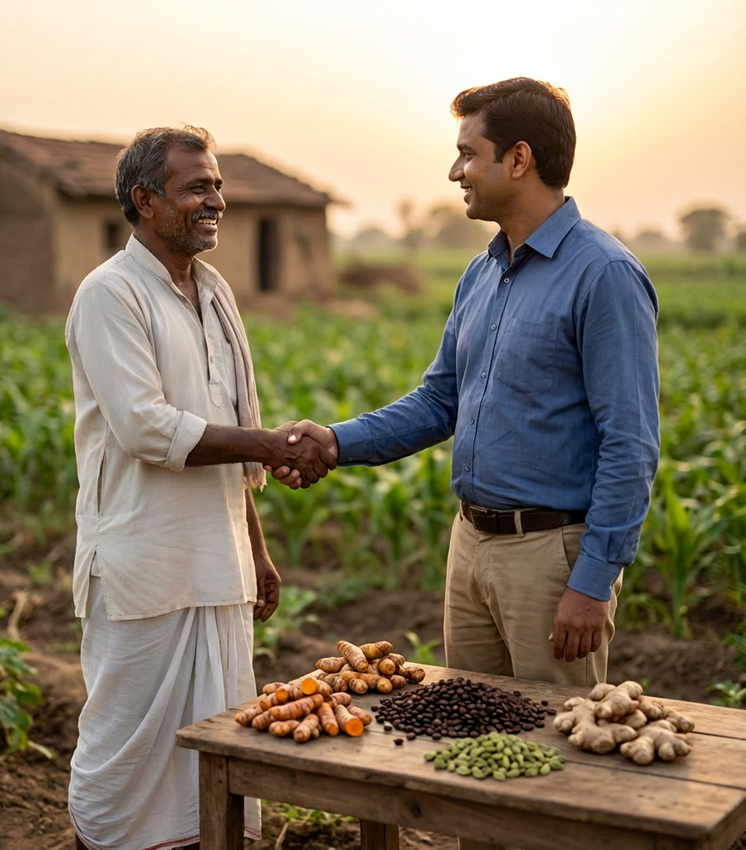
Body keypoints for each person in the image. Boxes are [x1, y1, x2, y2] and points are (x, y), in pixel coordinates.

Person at [275, 77, 660, 690]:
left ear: (519, 158)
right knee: (473, 741)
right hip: (471, 544)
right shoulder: (482, 272)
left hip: (550, 555)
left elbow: (630, 442)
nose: (456, 171)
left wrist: (591, 583)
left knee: (559, 755)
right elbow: (439, 400)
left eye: (467, 153)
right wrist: (334, 440)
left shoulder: (604, 274)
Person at [64, 125, 336, 850]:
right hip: (145, 564)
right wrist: (271, 442)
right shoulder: (110, 295)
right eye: (197, 187)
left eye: (217, 184)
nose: (216, 199)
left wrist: (258, 549)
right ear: (146, 201)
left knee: (217, 745)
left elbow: (225, 429)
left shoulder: (214, 294)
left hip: (219, 566)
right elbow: (146, 427)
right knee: (124, 755)